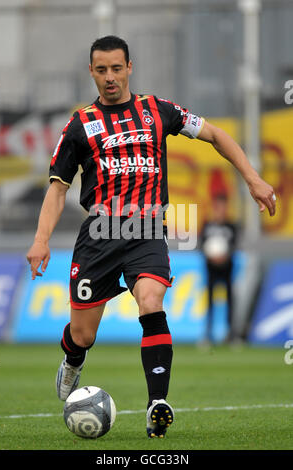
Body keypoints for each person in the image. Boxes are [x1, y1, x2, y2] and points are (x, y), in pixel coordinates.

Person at [26, 35, 276, 438]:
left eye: (117, 68)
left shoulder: (157, 110)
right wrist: (40, 239)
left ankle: (157, 402)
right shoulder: (79, 125)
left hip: (146, 232)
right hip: (100, 235)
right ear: (91, 71)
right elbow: (57, 188)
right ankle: (73, 360)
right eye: (102, 70)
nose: (110, 77)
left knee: (151, 300)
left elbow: (215, 135)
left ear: (130, 67)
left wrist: (253, 178)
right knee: (82, 334)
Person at [200, 193, 239, 344]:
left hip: (227, 268)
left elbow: (234, 245)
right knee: (210, 301)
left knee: (230, 301)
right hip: (211, 269)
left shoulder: (231, 226)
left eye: (223, 206)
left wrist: (224, 256)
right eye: (218, 206)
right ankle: (208, 334)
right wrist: (212, 257)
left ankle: (231, 335)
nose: (220, 210)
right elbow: (201, 246)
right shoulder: (207, 225)